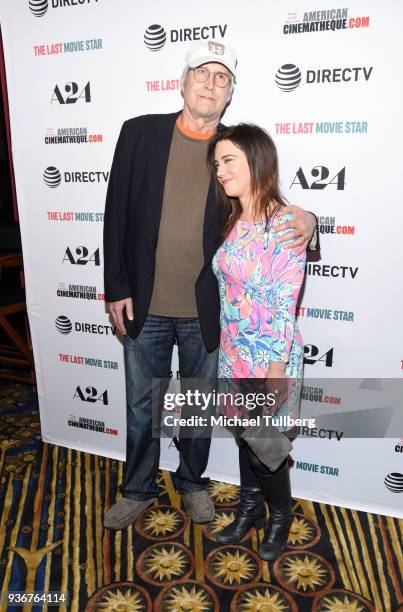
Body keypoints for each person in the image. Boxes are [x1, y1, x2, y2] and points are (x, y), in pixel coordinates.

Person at [103, 40, 316, 531]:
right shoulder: (139, 133)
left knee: (196, 404)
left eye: (222, 77)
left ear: (230, 94)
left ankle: (193, 483)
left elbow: (271, 205)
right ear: (182, 81)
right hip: (144, 301)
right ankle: (136, 488)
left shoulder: (232, 149)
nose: (210, 83)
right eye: (202, 73)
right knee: (142, 403)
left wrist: (311, 219)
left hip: (208, 309)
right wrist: (115, 286)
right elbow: (115, 212)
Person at [208, 123, 306, 560]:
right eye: (217, 163)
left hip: (268, 358)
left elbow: (286, 300)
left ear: (256, 161)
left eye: (229, 160)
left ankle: (280, 515)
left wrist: (276, 369)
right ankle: (249, 511)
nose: (220, 171)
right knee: (249, 440)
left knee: (266, 444)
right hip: (234, 355)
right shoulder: (232, 218)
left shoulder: (284, 223)